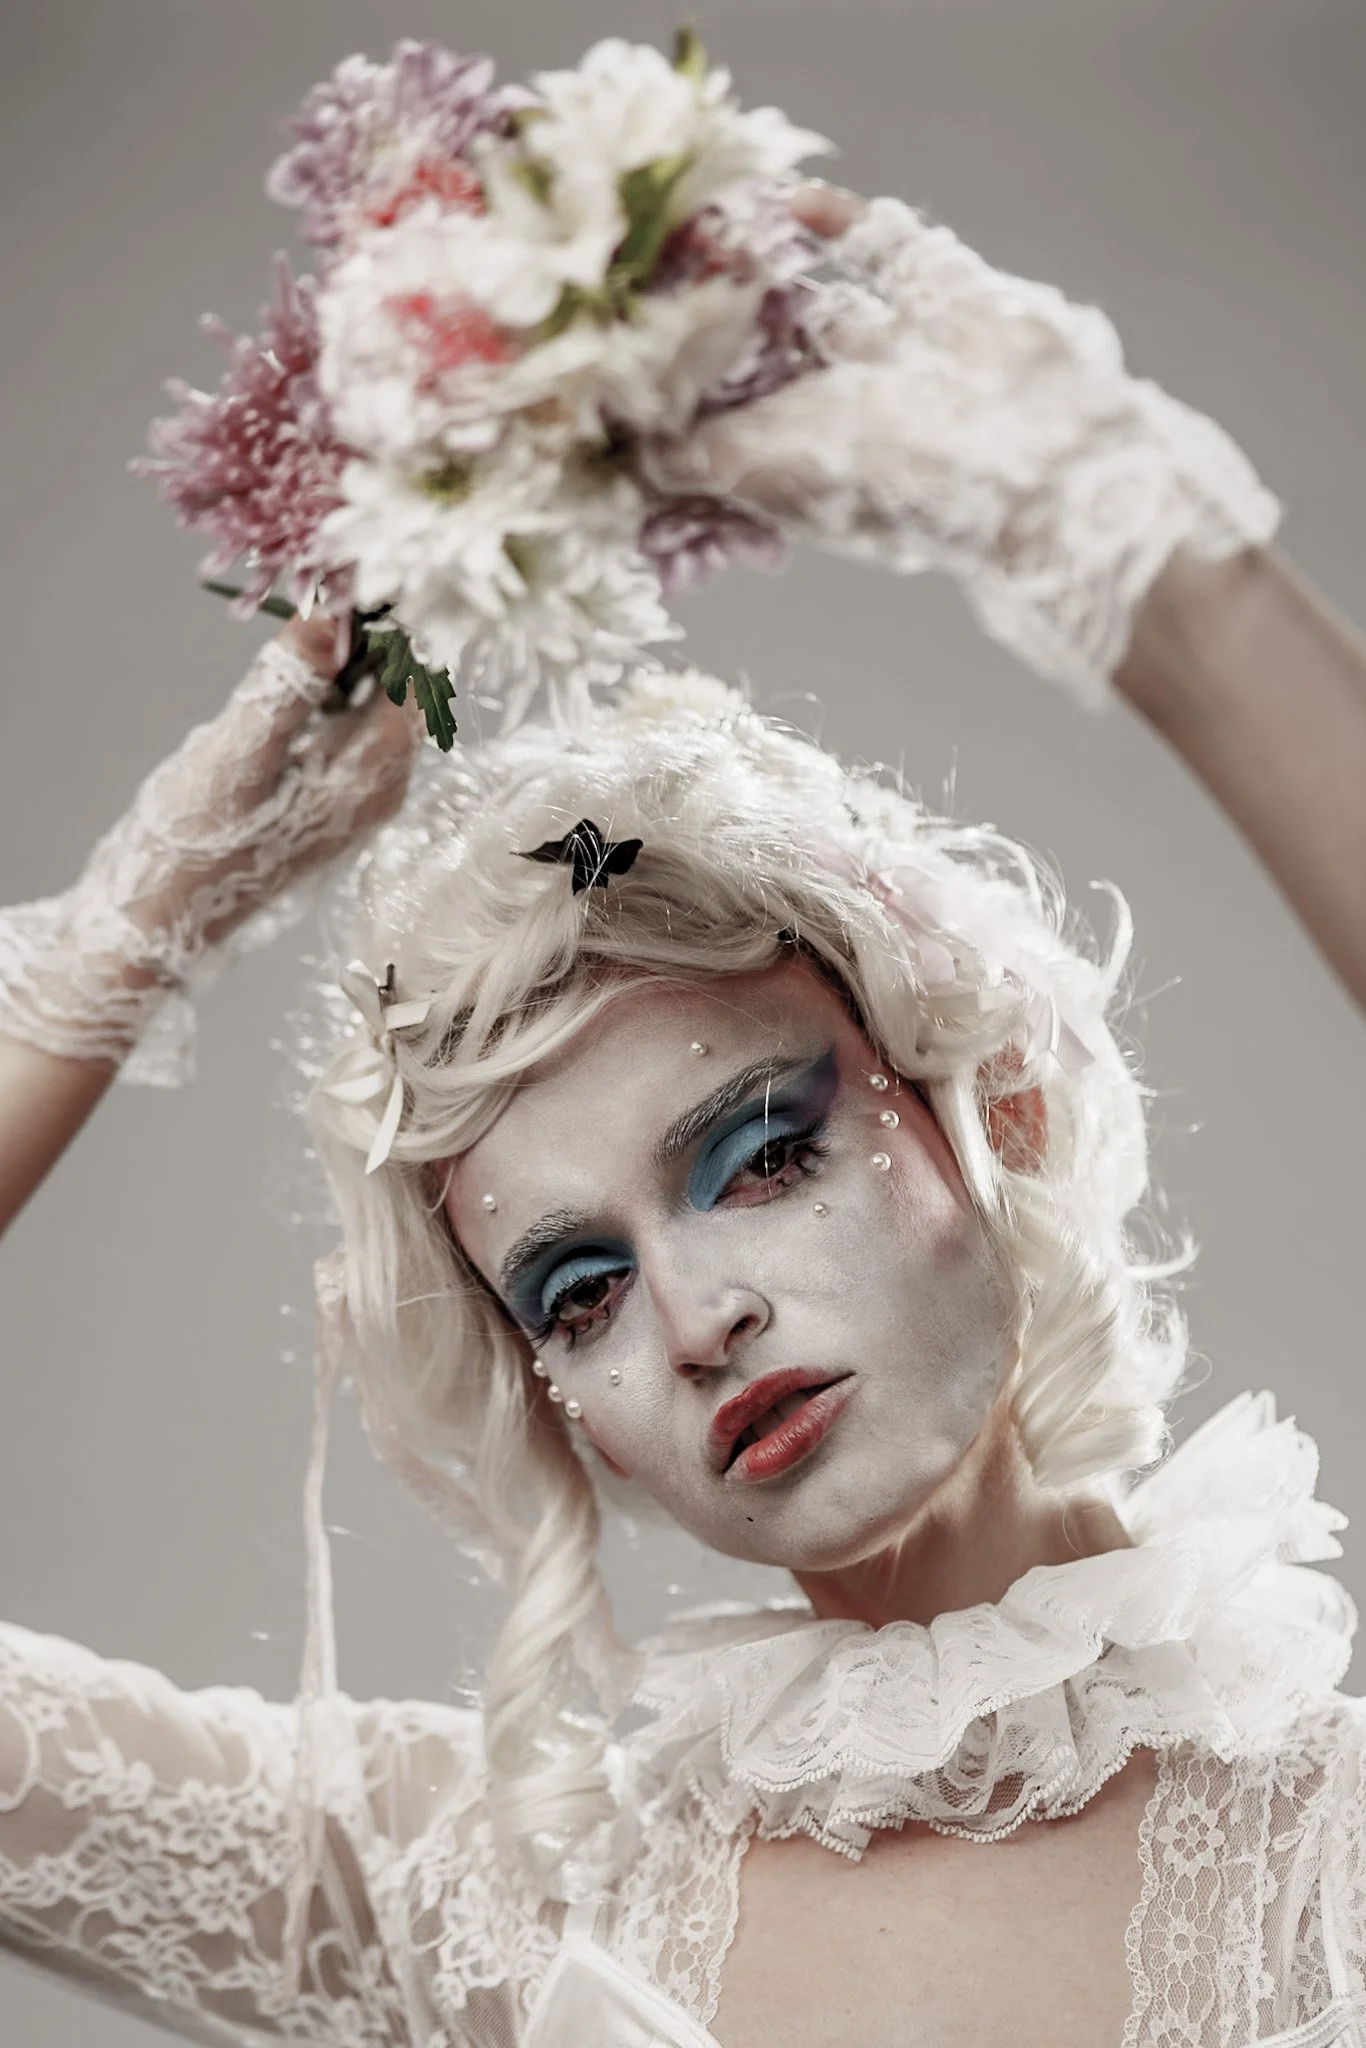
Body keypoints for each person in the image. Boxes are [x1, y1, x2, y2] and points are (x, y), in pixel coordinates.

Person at [0, 182, 1363, 2048]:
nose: (695, 1318)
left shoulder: (1335, 1842)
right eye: (575, 1289)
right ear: (561, 1412)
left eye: (760, 1154)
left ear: (1002, 1109)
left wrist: (1136, 550)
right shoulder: (489, 1891)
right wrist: (117, 948)